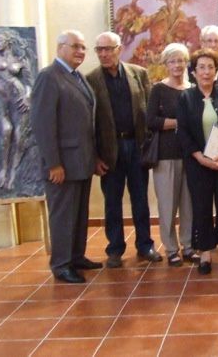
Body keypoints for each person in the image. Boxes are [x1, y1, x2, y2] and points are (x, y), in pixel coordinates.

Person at [30, 30, 101, 283]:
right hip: (62, 164)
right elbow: (42, 124)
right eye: (76, 47)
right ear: (61, 47)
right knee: (62, 215)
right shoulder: (48, 77)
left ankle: (76, 256)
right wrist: (53, 163)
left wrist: (93, 158)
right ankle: (61, 264)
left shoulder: (77, 77)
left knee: (79, 213)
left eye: (84, 48)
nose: (81, 52)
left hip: (81, 160)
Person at [86, 31, 162, 268]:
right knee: (112, 201)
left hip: (136, 145)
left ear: (119, 49)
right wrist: (95, 156)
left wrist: (149, 145)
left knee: (140, 199)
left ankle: (145, 245)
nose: (104, 54)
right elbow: (88, 123)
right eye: (99, 49)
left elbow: (149, 111)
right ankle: (115, 249)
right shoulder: (90, 80)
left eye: (108, 49)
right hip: (109, 150)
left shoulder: (138, 74)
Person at [177, 48, 218, 274]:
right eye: (201, 67)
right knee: (202, 206)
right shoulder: (185, 98)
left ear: (217, 71)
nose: (206, 72)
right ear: (193, 72)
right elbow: (183, 133)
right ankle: (205, 253)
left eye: (211, 67)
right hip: (198, 164)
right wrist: (200, 158)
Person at [146, 43, 197, 266]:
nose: (177, 65)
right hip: (166, 155)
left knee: (189, 204)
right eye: (172, 61)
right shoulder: (158, 89)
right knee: (168, 205)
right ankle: (170, 248)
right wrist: (180, 123)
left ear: (187, 63)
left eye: (181, 60)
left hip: (192, 155)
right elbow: (150, 121)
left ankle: (188, 246)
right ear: (166, 64)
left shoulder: (193, 88)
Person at [0, 28, 35, 191]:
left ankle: (14, 174)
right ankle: (3, 169)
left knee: (19, 135)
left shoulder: (19, 57)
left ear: (8, 40)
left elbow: (30, 81)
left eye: (0, 40)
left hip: (18, 96)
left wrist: (28, 97)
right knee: (6, 130)